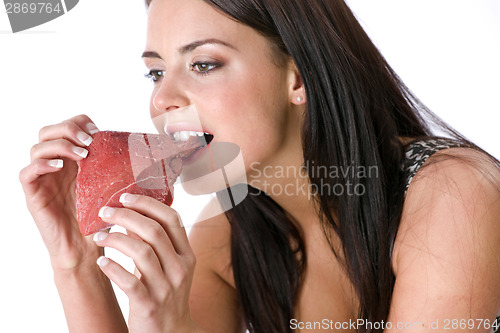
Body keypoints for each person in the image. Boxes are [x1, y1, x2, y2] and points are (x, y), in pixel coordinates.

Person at [19, 0, 500, 332]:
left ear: (297, 76)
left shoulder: (455, 197)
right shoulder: (222, 237)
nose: (162, 99)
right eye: (156, 72)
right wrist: (77, 263)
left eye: (203, 64)